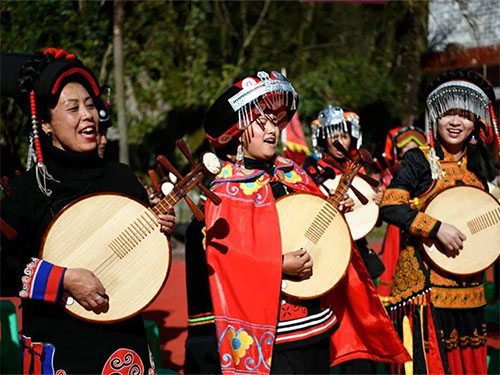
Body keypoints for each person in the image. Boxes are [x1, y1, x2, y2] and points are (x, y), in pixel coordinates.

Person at [184, 71, 409, 375]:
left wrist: (332, 215)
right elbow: (225, 261)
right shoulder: (227, 190)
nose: (271, 130)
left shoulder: (294, 172)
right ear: (236, 131)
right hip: (271, 335)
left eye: (275, 122)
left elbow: (315, 232)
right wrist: (278, 265)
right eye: (260, 122)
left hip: (316, 322)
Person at [0, 49, 175, 373]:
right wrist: (62, 279)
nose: (88, 115)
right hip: (60, 349)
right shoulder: (25, 191)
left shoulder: (121, 178)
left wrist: (156, 229)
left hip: (125, 347)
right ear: (45, 125)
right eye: (73, 108)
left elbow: (138, 263)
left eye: (91, 105)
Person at [380, 70, 499, 374]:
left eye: (464, 114)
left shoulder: (480, 161)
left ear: (476, 122)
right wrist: (436, 228)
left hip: (469, 290)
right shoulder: (419, 159)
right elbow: (391, 206)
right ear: (434, 116)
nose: (456, 122)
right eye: (448, 113)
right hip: (425, 293)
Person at [376, 125, 427, 303]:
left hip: (422, 224)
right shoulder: (390, 174)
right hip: (396, 227)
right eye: (405, 146)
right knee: (393, 261)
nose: (409, 150)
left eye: (414, 146)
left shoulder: (428, 169)